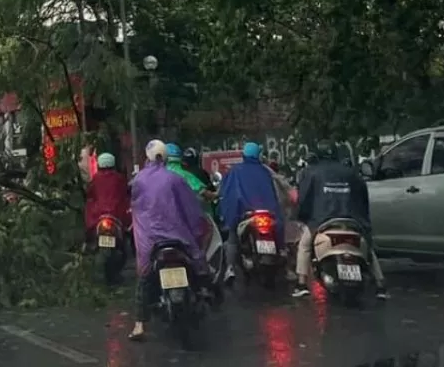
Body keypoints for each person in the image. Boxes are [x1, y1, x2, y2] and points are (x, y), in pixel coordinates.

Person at [128, 140, 210, 342]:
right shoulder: (175, 179)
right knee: (198, 263)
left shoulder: (138, 180)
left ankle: (139, 325)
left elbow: (136, 207)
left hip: (150, 238)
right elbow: (191, 209)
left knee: (144, 276)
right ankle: (205, 290)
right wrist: (197, 228)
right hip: (177, 235)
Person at [293, 140, 387, 300]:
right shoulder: (351, 173)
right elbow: (363, 198)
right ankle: (380, 285)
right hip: (352, 219)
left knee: (304, 246)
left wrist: (302, 217)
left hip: (322, 220)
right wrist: (363, 221)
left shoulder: (311, 172)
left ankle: (301, 284)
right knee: (367, 247)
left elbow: (304, 198)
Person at [218, 142, 284, 281]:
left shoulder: (236, 171)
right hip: (268, 212)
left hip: (246, 213)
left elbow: (228, 194)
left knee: (232, 234)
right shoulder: (266, 171)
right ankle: (284, 256)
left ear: (243, 155)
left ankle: (229, 268)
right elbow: (277, 193)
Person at [84, 152, 130, 243]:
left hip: (98, 215)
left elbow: (90, 194)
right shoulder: (119, 178)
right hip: (116, 213)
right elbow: (125, 193)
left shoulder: (96, 178)